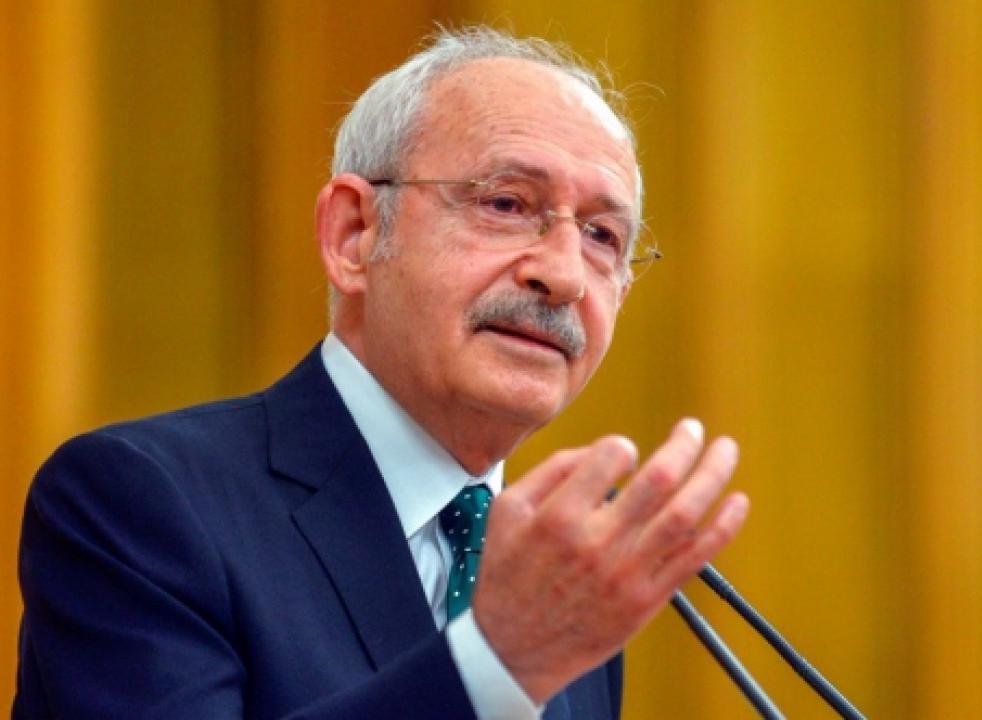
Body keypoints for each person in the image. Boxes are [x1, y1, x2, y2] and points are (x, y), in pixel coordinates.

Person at [14, 27, 749, 720]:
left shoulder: (561, 586)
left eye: (602, 236)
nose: (563, 274)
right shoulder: (141, 503)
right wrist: (496, 664)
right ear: (354, 234)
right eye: (505, 203)